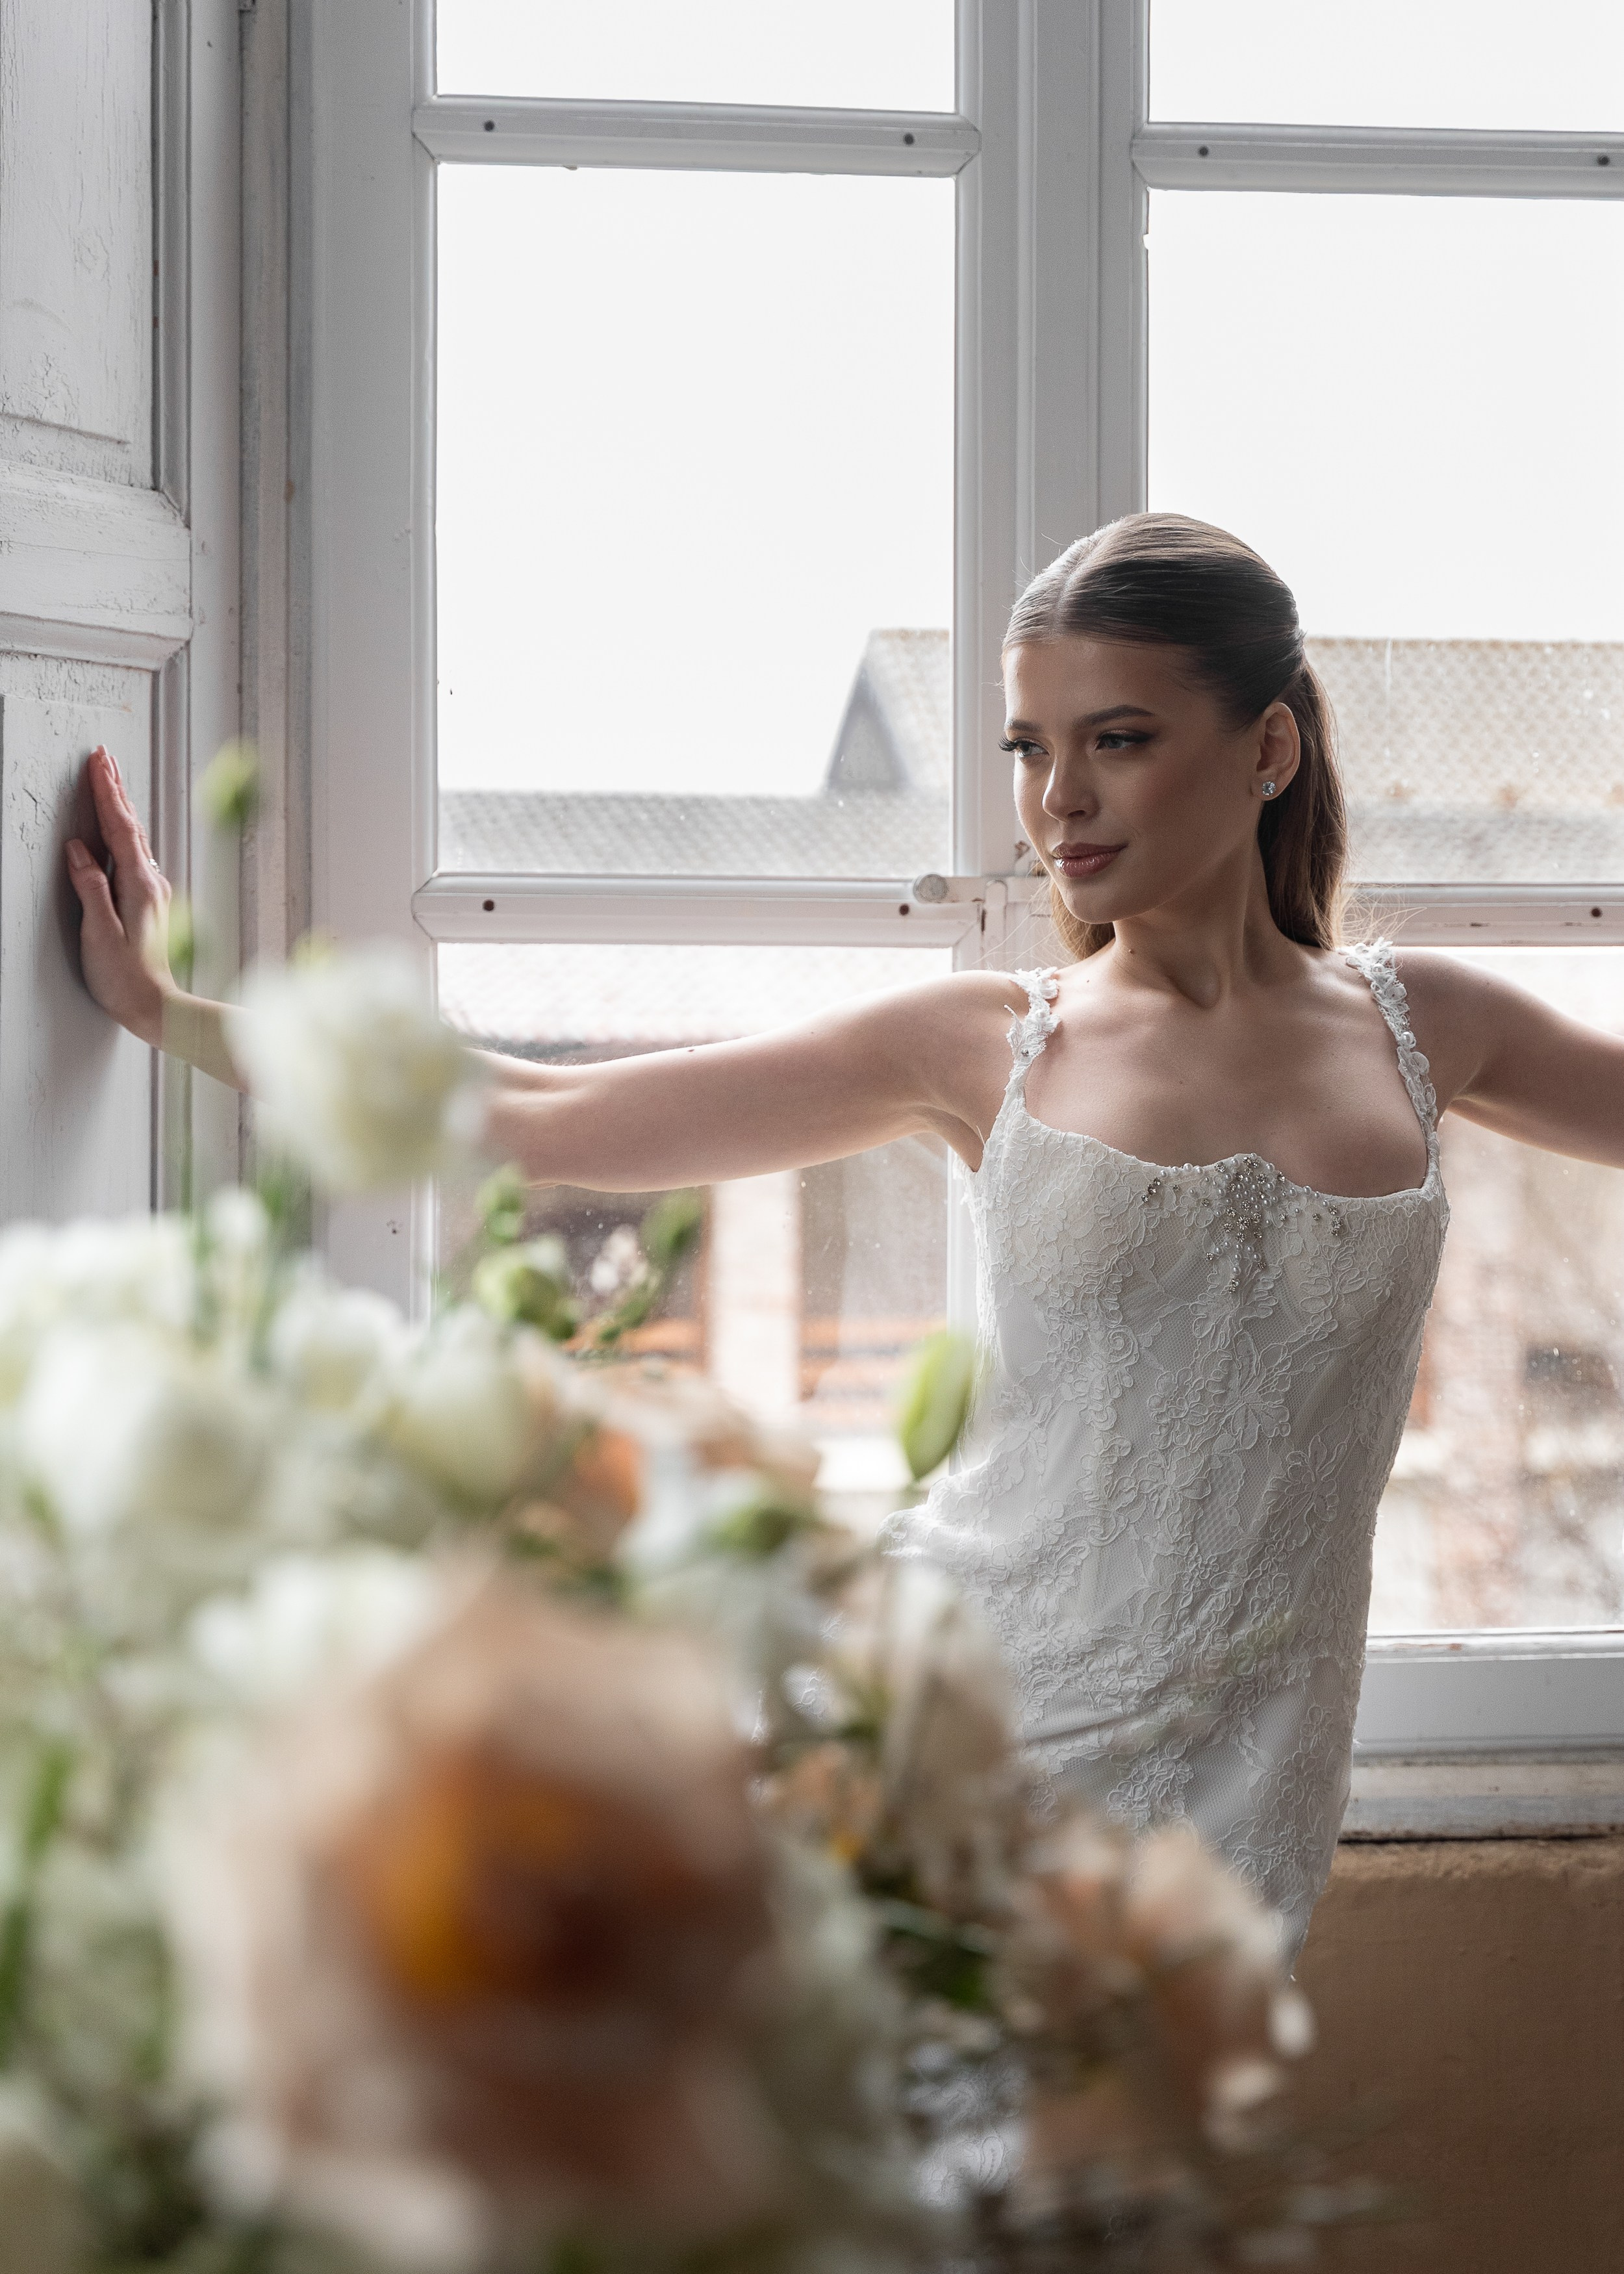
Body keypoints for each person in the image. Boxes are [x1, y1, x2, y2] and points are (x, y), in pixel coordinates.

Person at [68, 513, 1624, 1958]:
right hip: (950, 1728)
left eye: (1118, 741)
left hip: (1252, 1797)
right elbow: (538, 1115)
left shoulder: (1432, 1029)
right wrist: (172, 1009)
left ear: (1267, 745)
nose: (1053, 800)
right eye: (1029, 749)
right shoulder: (985, 1042)